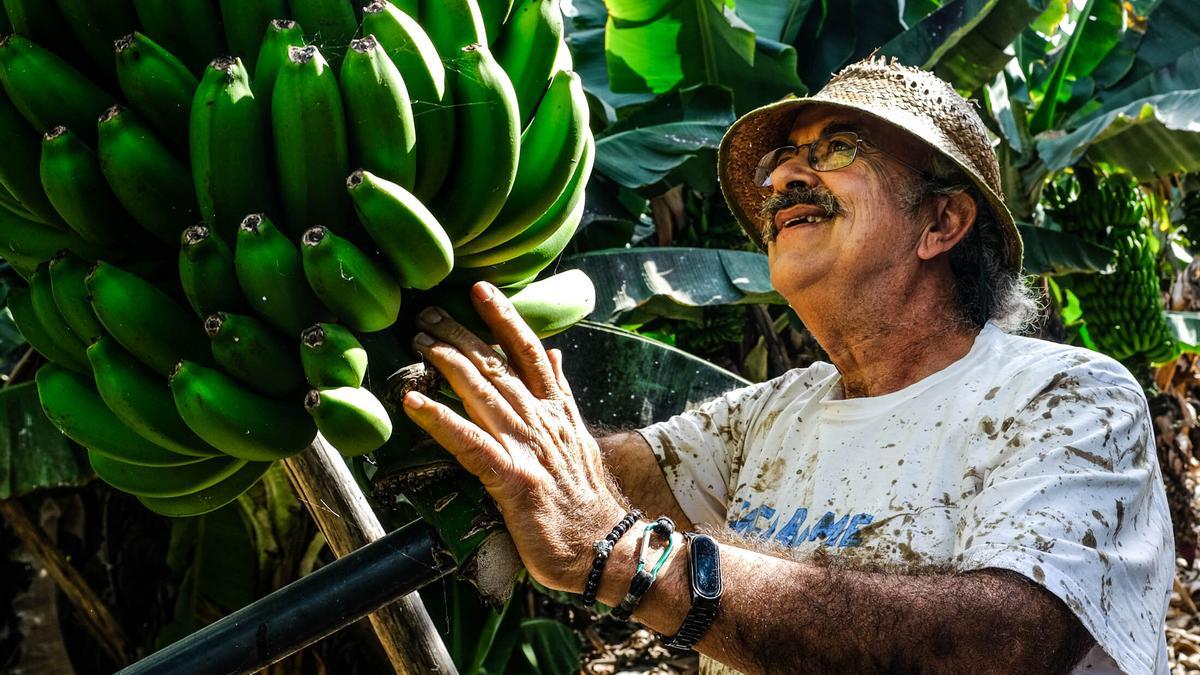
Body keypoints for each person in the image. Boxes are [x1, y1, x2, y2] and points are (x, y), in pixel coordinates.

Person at [401, 56, 1174, 674]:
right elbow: (593, 477)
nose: (780, 181)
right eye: (778, 163)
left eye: (834, 149)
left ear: (942, 220)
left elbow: (1006, 645)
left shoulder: (1066, 395)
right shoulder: (771, 413)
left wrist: (627, 556)